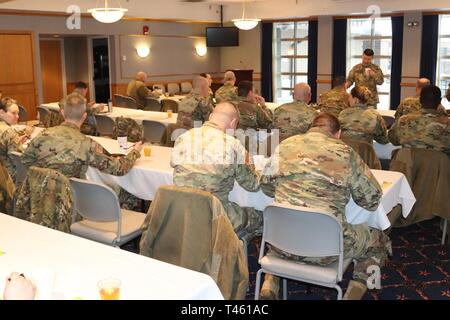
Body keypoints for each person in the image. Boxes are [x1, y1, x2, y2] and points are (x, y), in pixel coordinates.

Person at [259, 113, 391, 300]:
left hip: (283, 244)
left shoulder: (284, 146)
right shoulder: (345, 152)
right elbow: (370, 200)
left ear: (311, 128)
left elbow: (265, 186)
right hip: (329, 249)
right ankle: (356, 289)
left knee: (284, 230)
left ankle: (269, 283)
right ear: (338, 134)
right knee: (379, 241)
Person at [171, 102, 262, 242]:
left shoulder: (183, 137)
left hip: (183, 212)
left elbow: (174, 164)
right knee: (260, 216)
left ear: (211, 116)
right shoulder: (233, 144)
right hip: (216, 216)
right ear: (233, 122)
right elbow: (252, 185)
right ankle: (237, 253)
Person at [22, 92, 142, 179]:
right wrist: (135, 152)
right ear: (84, 116)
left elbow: (25, 159)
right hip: (72, 202)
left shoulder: (43, 134)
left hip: (39, 200)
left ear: (62, 113)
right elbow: (119, 169)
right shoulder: (86, 144)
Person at [388, 85, 450, 156]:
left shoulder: (403, 120)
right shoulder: (447, 124)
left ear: (420, 100)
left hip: (408, 164)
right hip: (438, 166)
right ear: (440, 101)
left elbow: (393, 140)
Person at [0, 97, 28, 181]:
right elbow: (19, 159)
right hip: (10, 176)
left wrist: (16, 141)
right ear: (1, 113)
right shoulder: (9, 132)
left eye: (18, 113)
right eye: (13, 113)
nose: (17, 116)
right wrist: (21, 146)